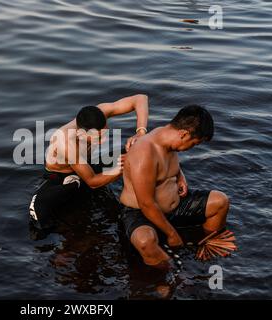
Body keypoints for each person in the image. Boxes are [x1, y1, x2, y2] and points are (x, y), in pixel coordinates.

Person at [120, 105, 230, 269]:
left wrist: (180, 177)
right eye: (193, 144)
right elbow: (146, 204)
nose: (191, 148)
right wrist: (172, 235)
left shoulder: (167, 137)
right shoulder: (144, 152)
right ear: (184, 134)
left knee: (221, 201)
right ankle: (171, 272)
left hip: (176, 206)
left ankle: (206, 243)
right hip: (140, 213)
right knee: (145, 241)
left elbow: (166, 166)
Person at [29, 94, 149, 229]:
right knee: (40, 214)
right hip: (61, 176)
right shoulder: (65, 142)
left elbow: (140, 99)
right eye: (98, 137)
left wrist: (141, 132)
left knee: (139, 149)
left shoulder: (99, 113)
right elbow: (92, 182)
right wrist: (123, 168)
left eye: (105, 133)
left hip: (87, 165)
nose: (103, 140)